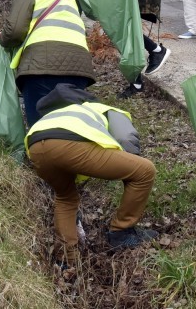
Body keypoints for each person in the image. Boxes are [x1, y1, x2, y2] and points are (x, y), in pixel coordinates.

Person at [25, 83, 157, 266]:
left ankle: (67, 261)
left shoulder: (51, 115)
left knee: (65, 198)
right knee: (144, 170)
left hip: (35, 146)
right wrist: (129, 168)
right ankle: (121, 232)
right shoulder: (97, 107)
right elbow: (126, 137)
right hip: (69, 143)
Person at [0, 0, 96, 126]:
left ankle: (40, 150)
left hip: (41, 68)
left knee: (41, 127)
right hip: (79, 69)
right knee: (70, 126)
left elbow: (14, 31)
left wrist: (2, 38)